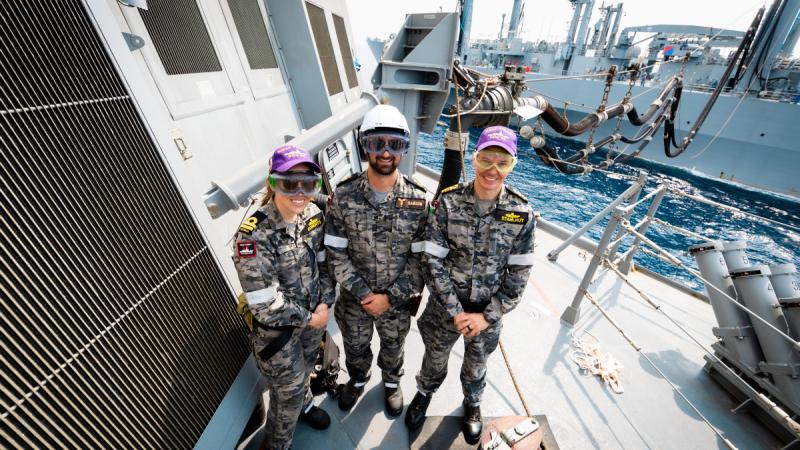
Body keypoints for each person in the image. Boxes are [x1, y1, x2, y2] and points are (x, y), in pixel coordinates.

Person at [405, 125, 537, 444]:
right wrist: (454, 311)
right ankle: (424, 393)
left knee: (477, 364)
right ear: (474, 159)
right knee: (434, 358)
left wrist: (485, 316)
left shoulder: (521, 214)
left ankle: (472, 403)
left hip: (486, 317)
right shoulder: (448, 204)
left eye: (502, 163)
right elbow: (432, 260)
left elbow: (518, 277)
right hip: (445, 311)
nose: (492, 170)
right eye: (486, 160)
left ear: (512, 166)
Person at [324, 104, 428, 416]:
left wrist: (390, 297)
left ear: (404, 148)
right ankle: (358, 379)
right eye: (376, 143)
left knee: (394, 346)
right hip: (356, 300)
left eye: (394, 144)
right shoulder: (343, 196)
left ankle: (392, 382)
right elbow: (335, 252)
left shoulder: (419, 199)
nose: (385, 152)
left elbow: (421, 259)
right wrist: (366, 294)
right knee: (355, 347)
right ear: (364, 146)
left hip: (395, 303)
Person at [232, 145, 334, 450]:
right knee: (285, 392)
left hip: (314, 318)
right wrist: (311, 317)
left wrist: (325, 302)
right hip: (278, 333)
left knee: (305, 369)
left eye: (308, 183)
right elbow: (265, 306)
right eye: (290, 183)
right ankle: (276, 446)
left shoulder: (313, 215)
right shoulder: (252, 236)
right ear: (272, 184)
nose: (300, 192)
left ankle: (303, 407)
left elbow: (325, 262)